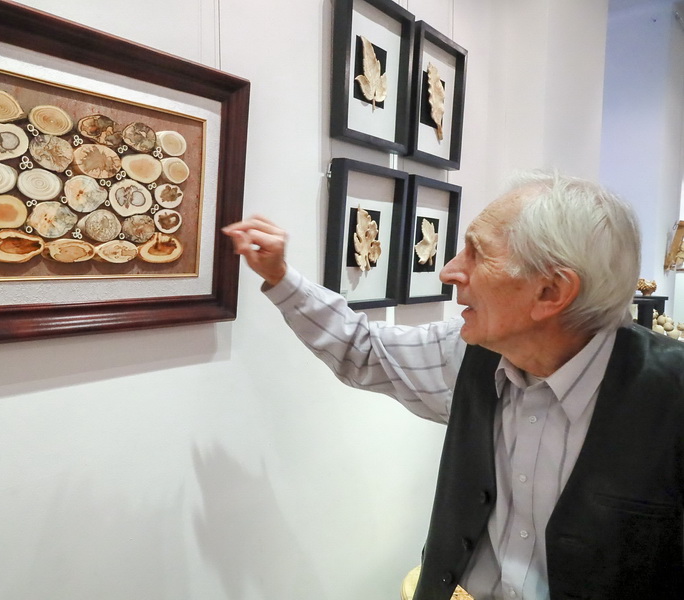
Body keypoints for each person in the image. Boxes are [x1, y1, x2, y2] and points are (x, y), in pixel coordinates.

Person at [222, 171, 684, 600]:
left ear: (551, 292)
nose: (448, 271)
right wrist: (281, 277)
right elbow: (363, 347)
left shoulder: (672, 394)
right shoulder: (468, 356)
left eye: (477, 254)